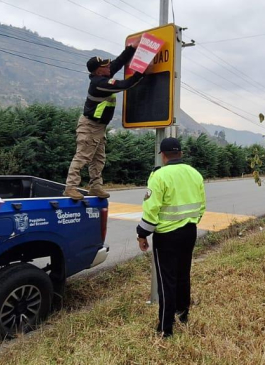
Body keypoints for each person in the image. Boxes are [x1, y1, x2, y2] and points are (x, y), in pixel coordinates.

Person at [136, 137, 206, 338]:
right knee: (183, 274)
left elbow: (151, 209)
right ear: (181, 153)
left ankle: (165, 328)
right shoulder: (195, 174)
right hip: (189, 232)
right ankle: (183, 315)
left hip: (166, 236)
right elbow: (201, 206)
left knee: (167, 280)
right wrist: (191, 221)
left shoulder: (159, 176)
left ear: (163, 155)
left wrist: (142, 234)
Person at [63, 45, 144, 200]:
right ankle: (70, 187)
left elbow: (119, 62)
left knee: (98, 159)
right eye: (105, 65)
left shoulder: (104, 75)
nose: (109, 66)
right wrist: (142, 72)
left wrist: (131, 49)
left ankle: (96, 187)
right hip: (89, 126)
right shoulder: (100, 84)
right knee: (82, 157)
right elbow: (125, 84)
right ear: (99, 71)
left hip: (99, 127)